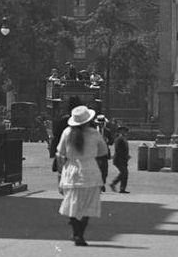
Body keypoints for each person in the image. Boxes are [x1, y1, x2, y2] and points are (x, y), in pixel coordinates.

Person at [56, 104, 106, 246]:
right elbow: (103, 152)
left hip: (71, 171)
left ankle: (75, 232)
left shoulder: (67, 133)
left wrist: (60, 174)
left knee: (73, 203)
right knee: (87, 205)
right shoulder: (95, 133)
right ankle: (81, 235)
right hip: (90, 171)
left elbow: (60, 153)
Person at [110, 123, 131, 193]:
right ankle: (114, 184)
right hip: (119, 159)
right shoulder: (119, 139)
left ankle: (121, 188)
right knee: (124, 172)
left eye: (125, 131)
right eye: (123, 131)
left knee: (124, 173)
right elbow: (118, 149)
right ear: (120, 131)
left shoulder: (123, 139)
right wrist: (125, 156)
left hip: (123, 159)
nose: (125, 132)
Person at [94, 119, 113, 188]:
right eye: (99, 123)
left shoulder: (107, 131)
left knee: (104, 169)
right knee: (97, 169)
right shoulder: (94, 131)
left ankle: (102, 183)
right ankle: (98, 184)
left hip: (105, 153)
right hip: (95, 152)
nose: (101, 125)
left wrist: (107, 140)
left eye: (102, 123)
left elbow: (111, 142)